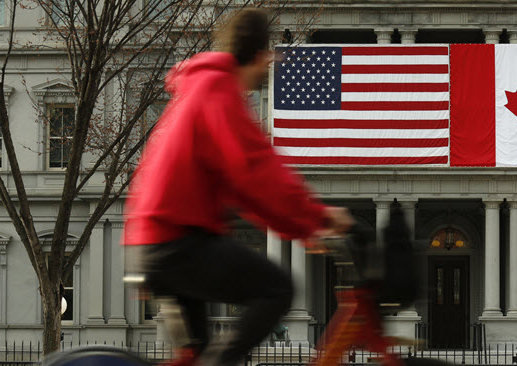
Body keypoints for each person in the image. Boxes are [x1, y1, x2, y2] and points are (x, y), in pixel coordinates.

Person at [123, 8, 353, 366]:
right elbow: (255, 171)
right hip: (177, 242)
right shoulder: (220, 92)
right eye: (271, 56)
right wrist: (316, 217)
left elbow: (242, 188)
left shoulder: (201, 86)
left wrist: (300, 224)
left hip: (159, 239)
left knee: (196, 356)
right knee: (277, 288)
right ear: (260, 55)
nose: (270, 67)